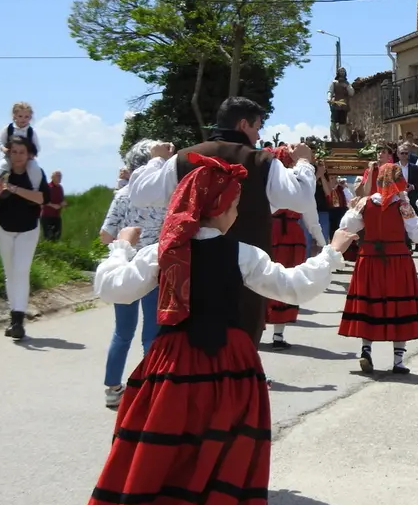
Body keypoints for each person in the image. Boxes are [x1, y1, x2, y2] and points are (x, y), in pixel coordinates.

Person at [78, 153, 356, 505]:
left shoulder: (162, 250)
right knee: (219, 454)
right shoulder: (243, 254)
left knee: (172, 447)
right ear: (220, 208)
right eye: (233, 206)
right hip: (229, 365)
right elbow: (296, 286)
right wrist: (335, 249)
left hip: (172, 363)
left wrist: (121, 247)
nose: (236, 213)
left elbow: (114, 287)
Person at [128, 97, 325, 348]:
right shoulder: (261, 161)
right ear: (243, 124)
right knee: (238, 347)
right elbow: (301, 199)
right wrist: (304, 162)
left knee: (185, 348)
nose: (258, 134)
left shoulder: (183, 158)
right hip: (242, 275)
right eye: (256, 127)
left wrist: (156, 159)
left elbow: (140, 194)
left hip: (187, 272)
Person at [338, 163, 418, 374]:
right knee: (398, 306)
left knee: (370, 304)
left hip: (369, 259)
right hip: (397, 261)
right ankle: (398, 361)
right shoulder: (403, 206)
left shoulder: (365, 203)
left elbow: (345, 227)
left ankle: (366, 350)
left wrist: (351, 209)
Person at [99, 139, 176, 409]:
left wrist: (125, 242)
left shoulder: (123, 195)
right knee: (151, 333)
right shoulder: (166, 196)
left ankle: (112, 388)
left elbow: (105, 235)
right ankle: (150, 387)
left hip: (125, 266)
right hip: (154, 269)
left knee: (122, 332)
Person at [0, 136, 51, 340]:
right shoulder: (0, 172)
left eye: (22, 152)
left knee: (21, 271)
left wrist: (13, 189)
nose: (18, 156)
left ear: (29, 154)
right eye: (14, 152)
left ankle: (18, 321)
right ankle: (14, 319)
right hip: (4, 228)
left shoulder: (35, 174)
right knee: (10, 273)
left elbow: (42, 198)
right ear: (8, 153)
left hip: (28, 229)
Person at [267, 146, 309, 349]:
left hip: (271, 232)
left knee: (263, 279)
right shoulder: (295, 179)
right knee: (287, 282)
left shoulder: (267, 180)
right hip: (290, 234)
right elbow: (308, 205)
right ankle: (277, 335)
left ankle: (256, 332)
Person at [0, 101, 43, 191]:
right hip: (10, 156)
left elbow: (37, 147)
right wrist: (4, 149)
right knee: (3, 165)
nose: (23, 119)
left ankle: (35, 189)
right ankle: (1, 186)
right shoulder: (8, 129)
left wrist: (32, 155)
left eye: (26, 117)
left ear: (30, 118)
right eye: (20, 116)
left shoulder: (31, 132)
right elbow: (0, 141)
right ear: (14, 116)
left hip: (26, 159)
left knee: (34, 168)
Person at [40, 170, 67, 240]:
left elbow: (61, 200)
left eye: (60, 176)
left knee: (57, 236)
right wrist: (53, 205)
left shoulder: (60, 188)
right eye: (58, 176)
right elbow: (42, 200)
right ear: (52, 177)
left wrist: (63, 204)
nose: (59, 178)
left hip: (57, 216)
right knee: (48, 237)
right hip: (47, 216)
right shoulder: (48, 187)